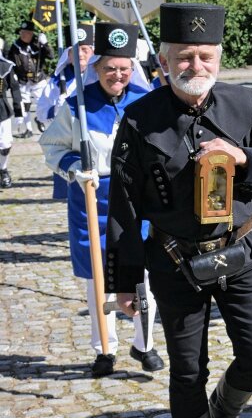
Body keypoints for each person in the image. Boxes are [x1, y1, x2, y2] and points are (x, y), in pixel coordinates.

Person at [105, 3, 252, 418]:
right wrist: (124, 282)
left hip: (240, 253)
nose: (196, 67)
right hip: (174, 261)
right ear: (164, 62)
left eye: (206, 56)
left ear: (219, 58)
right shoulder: (139, 121)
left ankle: (225, 413)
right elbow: (123, 205)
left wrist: (244, 158)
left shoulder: (243, 103)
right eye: (185, 57)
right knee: (187, 370)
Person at [40, 22, 163, 377]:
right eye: (110, 68)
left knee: (142, 280)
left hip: (136, 202)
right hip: (92, 202)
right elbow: (51, 147)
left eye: (124, 69)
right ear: (96, 68)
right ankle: (104, 350)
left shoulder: (146, 102)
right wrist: (76, 167)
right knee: (98, 282)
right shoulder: (76, 104)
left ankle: (144, 344)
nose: (117, 76)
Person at [6, 19, 54, 137]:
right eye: (22, 32)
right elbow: (11, 62)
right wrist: (13, 75)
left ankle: (42, 121)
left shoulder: (38, 44)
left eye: (26, 32)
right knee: (25, 105)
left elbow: (51, 56)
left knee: (43, 102)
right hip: (23, 80)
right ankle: (28, 129)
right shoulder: (15, 46)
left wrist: (46, 44)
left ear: (32, 33)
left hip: (38, 79)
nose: (23, 34)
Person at [0, 41, 22, 189]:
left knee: (5, 144)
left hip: (1, 109)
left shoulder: (5, 66)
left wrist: (19, 111)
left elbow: (14, 89)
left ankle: (3, 170)